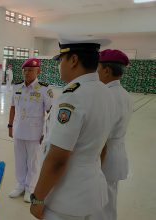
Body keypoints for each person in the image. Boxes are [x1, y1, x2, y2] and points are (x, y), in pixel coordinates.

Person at [29, 38, 115, 220]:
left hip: (67, 197)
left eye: (61, 60)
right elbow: (104, 147)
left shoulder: (72, 97)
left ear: (74, 60)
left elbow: (58, 159)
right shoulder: (105, 91)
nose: (60, 66)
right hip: (93, 190)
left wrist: (37, 199)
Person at [90, 49, 133, 220]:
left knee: (100, 207)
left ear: (106, 70)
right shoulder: (125, 94)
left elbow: (102, 137)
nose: (96, 73)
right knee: (109, 203)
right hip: (117, 154)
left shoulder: (106, 95)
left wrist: (94, 167)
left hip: (104, 158)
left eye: (98, 68)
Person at [8, 58, 53, 202]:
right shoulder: (17, 87)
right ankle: (20, 185)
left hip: (35, 133)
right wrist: (10, 126)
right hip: (19, 130)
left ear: (38, 71)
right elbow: (13, 107)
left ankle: (30, 188)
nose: (27, 73)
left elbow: (51, 112)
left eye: (30, 71)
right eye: (25, 70)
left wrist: (46, 133)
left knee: (32, 162)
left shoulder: (44, 89)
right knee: (19, 160)